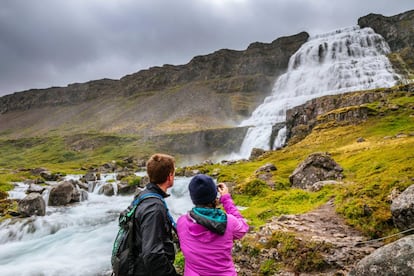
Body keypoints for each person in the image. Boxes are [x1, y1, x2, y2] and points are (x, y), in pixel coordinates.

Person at [177, 174, 249, 276]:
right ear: (214, 196)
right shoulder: (229, 222)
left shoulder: (182, 222)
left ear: (193, 197)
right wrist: (226, 199)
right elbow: (243, 228)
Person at [130, 153, 180, 276]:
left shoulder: (143, 196)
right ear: (169, 176)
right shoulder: (154, 208)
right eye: (174, 172)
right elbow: (152, 255)